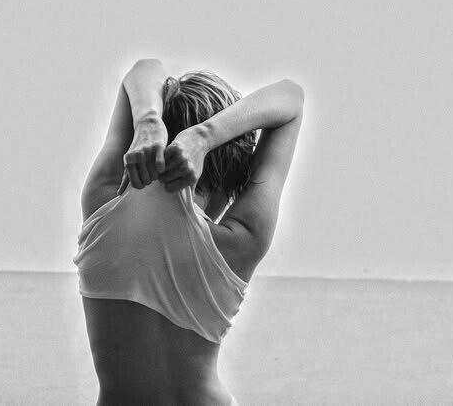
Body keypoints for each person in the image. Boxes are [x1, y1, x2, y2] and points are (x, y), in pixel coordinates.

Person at [74, 59, 304, 405]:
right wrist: (204, 137)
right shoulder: (240, 240)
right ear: (231, 178)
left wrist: (148, 122)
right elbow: (291, 98)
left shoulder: (102, 204)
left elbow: (143, 69)